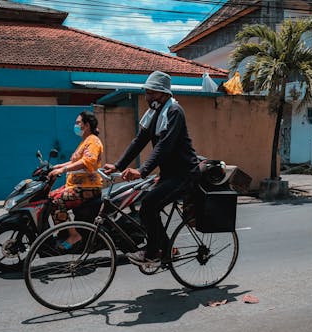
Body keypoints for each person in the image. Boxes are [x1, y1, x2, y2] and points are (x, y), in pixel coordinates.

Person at [104, 71, 199, 265]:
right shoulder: (154, 113)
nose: (148, 98)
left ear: (164, 93)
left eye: (152, 93)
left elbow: (165, 145)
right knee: (147, 207)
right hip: (168, 174)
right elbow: (139, 141)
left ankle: (154, 252)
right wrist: (117, 165)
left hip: (184, 174)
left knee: (148, 205)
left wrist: (142, 171)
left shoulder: (174, 112)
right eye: (147, 93)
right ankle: (166, 249)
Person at [48, 110, 103, 250]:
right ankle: (63, 231)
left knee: (56, 201)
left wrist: (63, 170)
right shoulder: (84, 141)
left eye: (78, 122)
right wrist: (57, 166)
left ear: (87, 125)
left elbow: (87, 162)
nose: (76, 125)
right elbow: (75, 161)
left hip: (88, 188)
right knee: (48, 197)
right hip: (76, 186)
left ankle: (74, 235)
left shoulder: (93, 141)